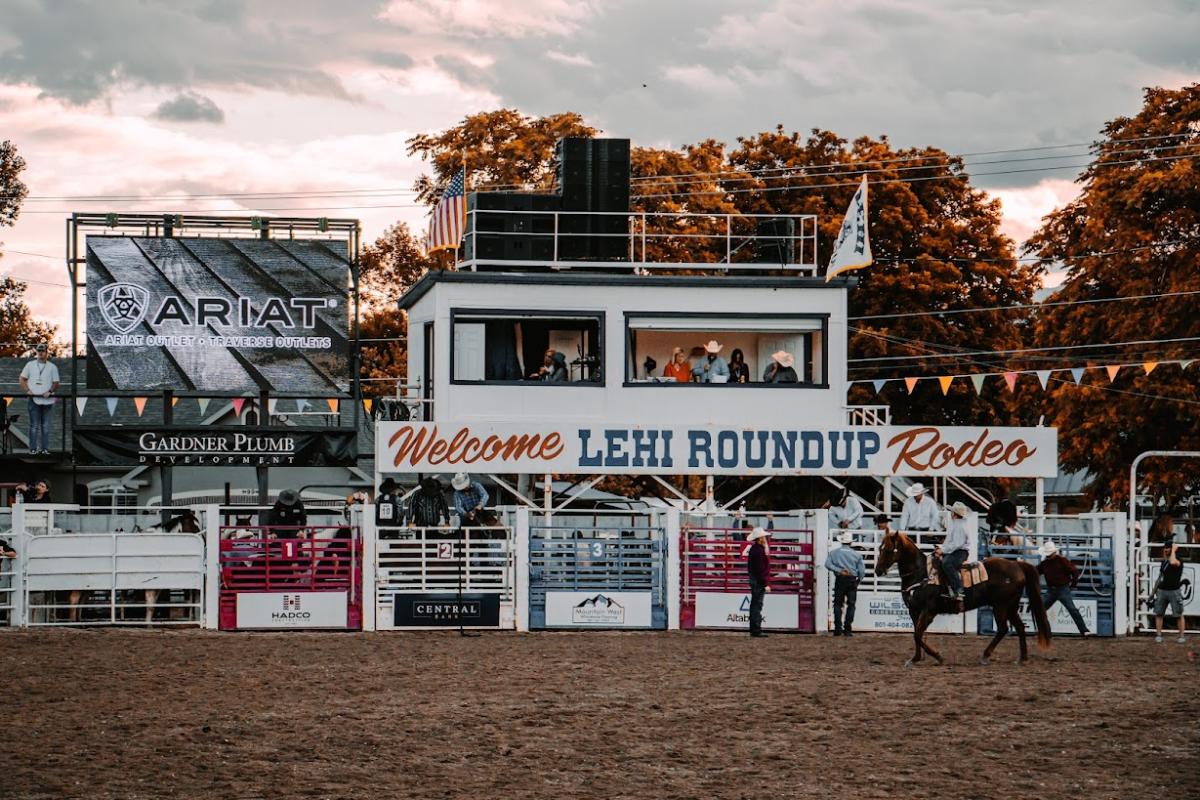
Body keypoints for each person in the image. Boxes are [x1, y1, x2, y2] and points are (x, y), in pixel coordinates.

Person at [1036, 540, 1092, 636]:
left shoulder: (1062, 561)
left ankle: (1084, 630)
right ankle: (1046, 632)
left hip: (1062, 589)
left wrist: (1073, 584)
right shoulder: (1045, 563)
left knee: (1072, 609)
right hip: (1052, 590)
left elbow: (1074, 571)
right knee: (1040, 609)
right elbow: (1035, 571)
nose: (1049, 555)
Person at [19, 343, 59, 455]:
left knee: (46, 426)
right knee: (34, 425)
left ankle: (45, 449)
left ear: (47, 352)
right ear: (36, 352)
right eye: (39, 351)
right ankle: (33, 449)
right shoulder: (30, 365)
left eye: (43, 351)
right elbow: (22, 379)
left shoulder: (52, 367)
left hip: (48, 400)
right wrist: (28, 391)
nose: (41, 353)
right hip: (34, 400)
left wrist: (50, 391)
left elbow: (56, 382)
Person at [826, 528, 866, 636]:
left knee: (838, 604)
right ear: (850, 542)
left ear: (841, 541)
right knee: (851, 604)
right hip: (852, 580)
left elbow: (828, 565)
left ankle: (837, 628)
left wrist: (839, 570)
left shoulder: (834, 553)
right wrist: (859, 580)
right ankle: (848, 629)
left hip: (840, 579)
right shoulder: (857, 555)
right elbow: (862, 572)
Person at [934, 501, 971, 604]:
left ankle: (958, 589)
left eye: (951, 511)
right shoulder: (956, 524)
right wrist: (941, 548)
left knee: (947, 563)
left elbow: (957, 544)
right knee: (939, 561)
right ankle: (946, 587)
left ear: (954, 514)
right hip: (955, 550)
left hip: (961, 552)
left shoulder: (960, 526)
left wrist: (943, 550)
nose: (950, 513)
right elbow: (949, 541)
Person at [1152, 536, 1187, 644]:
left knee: (1178, 614)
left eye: (1168, 548)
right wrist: (1153, 591)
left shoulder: (1178, 560)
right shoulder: (1164, 562)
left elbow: (1173, 562)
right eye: (1165, 548)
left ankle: (1181, 635)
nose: (1166, 550)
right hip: (1162, 590)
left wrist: (1174, 550)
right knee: (1159, 613)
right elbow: (1160, 577)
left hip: (1174, 590)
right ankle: (1158, 634)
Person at [745, 526, 771, 638]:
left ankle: (754, 629)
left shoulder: (754, 549)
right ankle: (756, 629)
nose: (765, 538)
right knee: (757, 605)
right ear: (760, 538)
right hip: (758, 581)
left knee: (755, 605)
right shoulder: (759, 551)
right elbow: (761, 569)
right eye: (764, 537)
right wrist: (765, 584)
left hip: (755, 579)